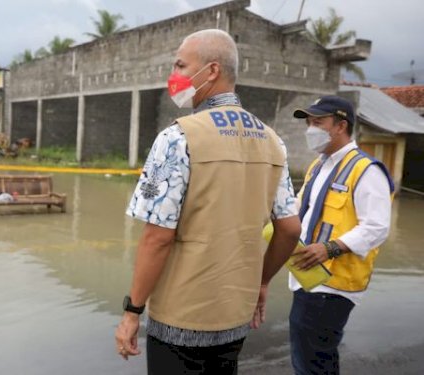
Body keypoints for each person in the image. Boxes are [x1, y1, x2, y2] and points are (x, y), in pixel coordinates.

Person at [115, 29, 301, 374]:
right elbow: (289, 229)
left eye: (181, 65)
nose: (175, 75)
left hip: (180, 318)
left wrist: (132, 312)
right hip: (236, 314)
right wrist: (261, 282)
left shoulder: (178, 137)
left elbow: (157, 237)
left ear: (212, 70)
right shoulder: (274, 142)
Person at [289, 96, 393, 374]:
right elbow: (299, 209)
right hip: (307, 277)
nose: (310, 129)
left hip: (333, 283)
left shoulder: (366, 170)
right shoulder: (318, 166)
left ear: (340, 126)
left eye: (318, 122)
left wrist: (330, 248)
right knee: (316, 358)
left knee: (310, 362)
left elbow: (377, 227)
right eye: (309, 122)